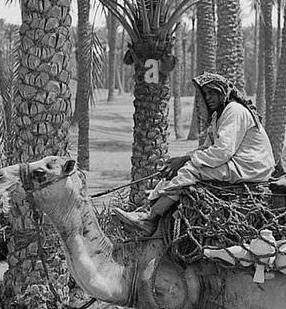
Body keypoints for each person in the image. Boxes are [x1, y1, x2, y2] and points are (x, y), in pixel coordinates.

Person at [113, 72, 276, 236]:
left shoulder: (234, 110)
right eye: (206, 94)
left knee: (191, 170)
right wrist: (181, 159)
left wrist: (186, 160)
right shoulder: (217, 117)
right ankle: (148, 208)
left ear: (222, 93)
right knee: (180, 169)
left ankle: (150, 218)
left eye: (212, 93)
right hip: (237, 161)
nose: (208, 97)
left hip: (250, 166)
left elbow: (223, 151)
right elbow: (207, 147)